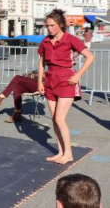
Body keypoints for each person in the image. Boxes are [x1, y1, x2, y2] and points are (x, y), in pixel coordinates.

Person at [38, 9, 94, 165]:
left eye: (52, 25)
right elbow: (41, 62)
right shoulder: (45, 41)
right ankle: (61, 151)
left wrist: (77, 76)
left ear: (60, 25)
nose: (49, 28)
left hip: (66, 80)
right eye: (47, 25)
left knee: (60, 118)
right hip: (50, 81)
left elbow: (90, 57)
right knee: (55, 119)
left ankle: (69, 153)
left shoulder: (71, 39)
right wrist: (39, 82)